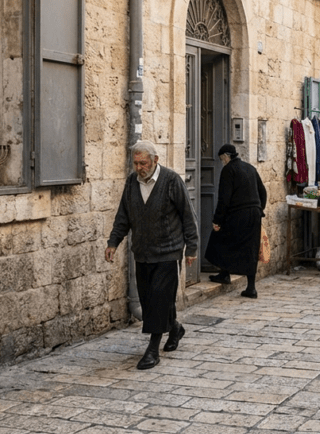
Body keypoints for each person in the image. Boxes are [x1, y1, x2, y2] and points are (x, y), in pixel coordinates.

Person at [105, 141, 198, 370]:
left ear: (155, 160)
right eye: (136, 163)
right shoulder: (131, 183)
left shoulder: (171, 181)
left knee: (159, 298)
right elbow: (123, 216)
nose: (139, 168)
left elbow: (188, 215)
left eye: (143, 163)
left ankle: (152, 350)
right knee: (148, 302)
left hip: (168, 251)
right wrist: (113, 242)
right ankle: (175, 328)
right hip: (143, 252)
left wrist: (192, 248)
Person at [205, 144, 268, 299]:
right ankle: (250, 287)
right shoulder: (250, 168)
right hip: (254, 213)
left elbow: (224, 198)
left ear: (227, 156)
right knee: (250, 249)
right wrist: (260, 209)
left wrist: (217, 220)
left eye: (221, 159)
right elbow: (263, 192)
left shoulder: (229, 170)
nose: (222, 162)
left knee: (218, 238)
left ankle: (224, 273)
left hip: (238, 213)